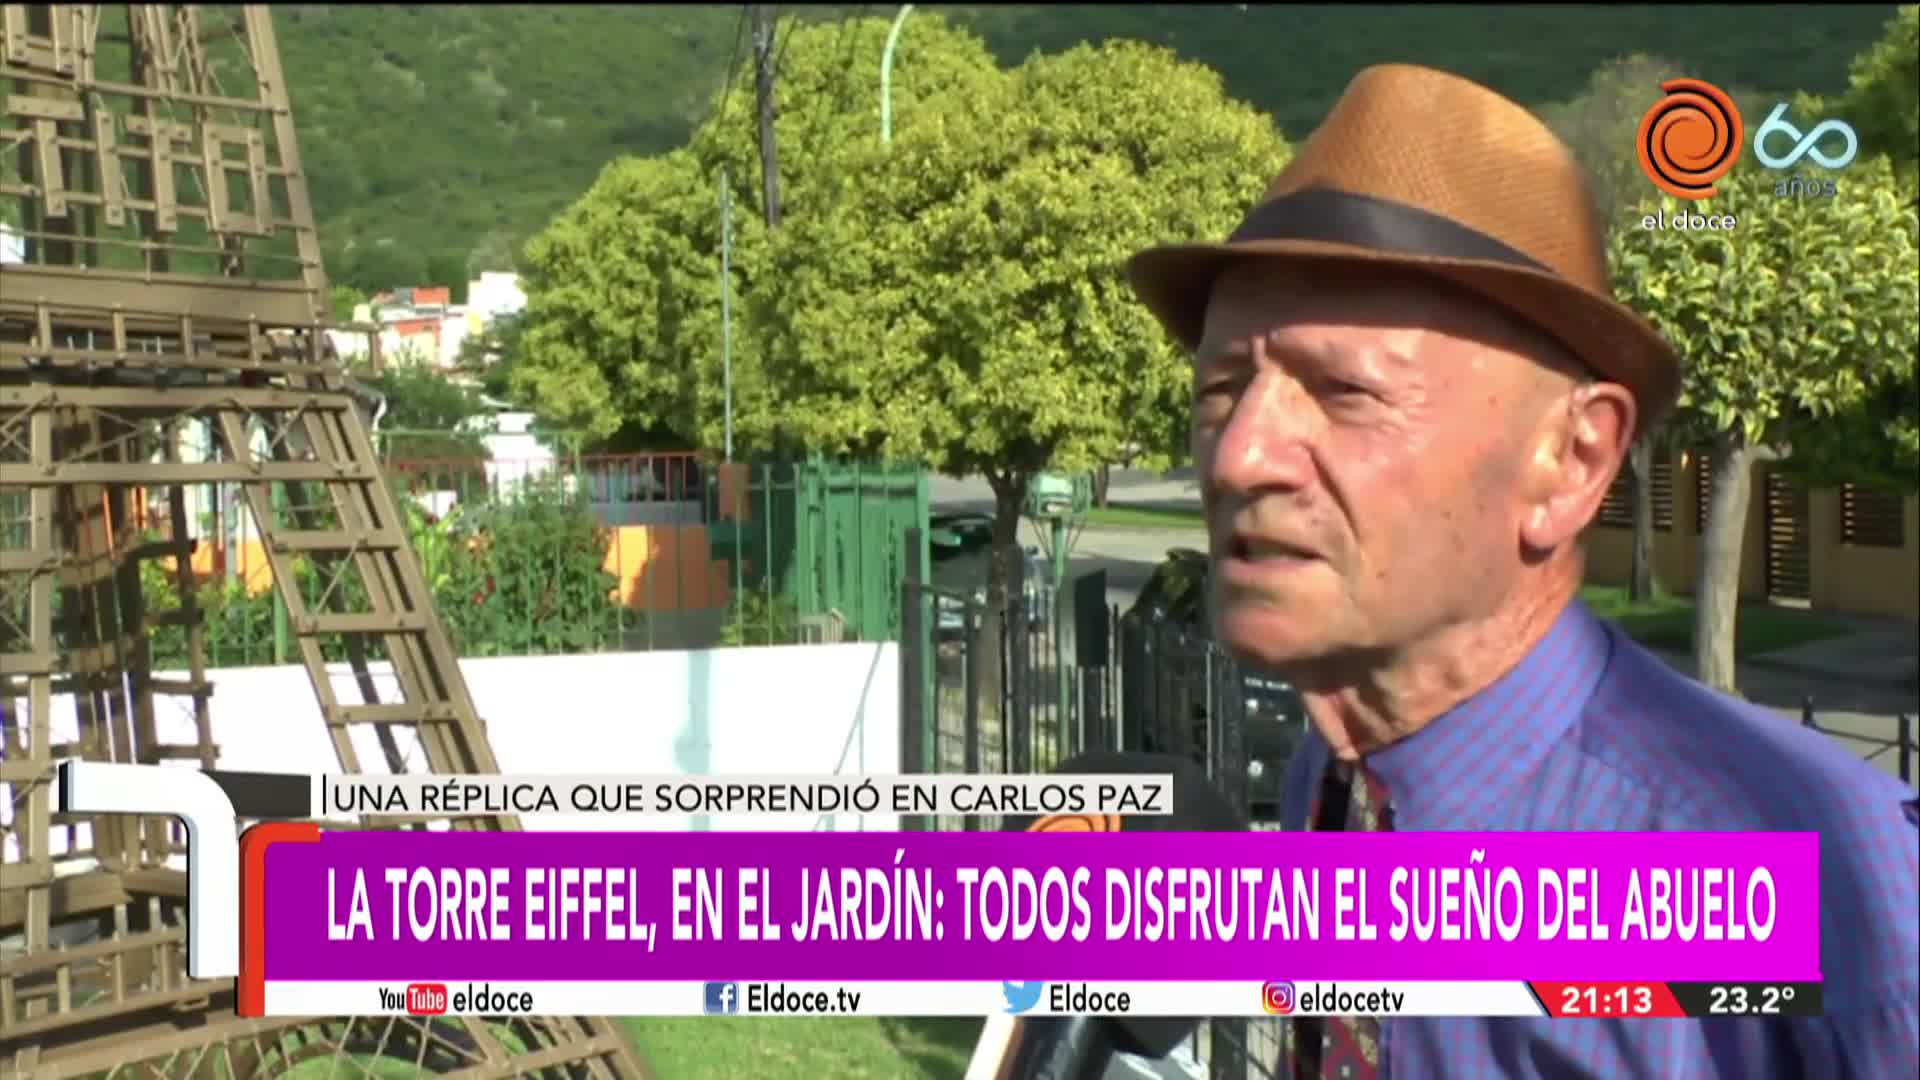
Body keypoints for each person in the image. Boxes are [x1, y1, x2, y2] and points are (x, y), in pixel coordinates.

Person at [1126, 64, 1919, 1079]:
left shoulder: (1839, 885)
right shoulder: (1327, 781)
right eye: (1223, 387)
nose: (1239, 455)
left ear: (1574, 461)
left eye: (1344, 393)